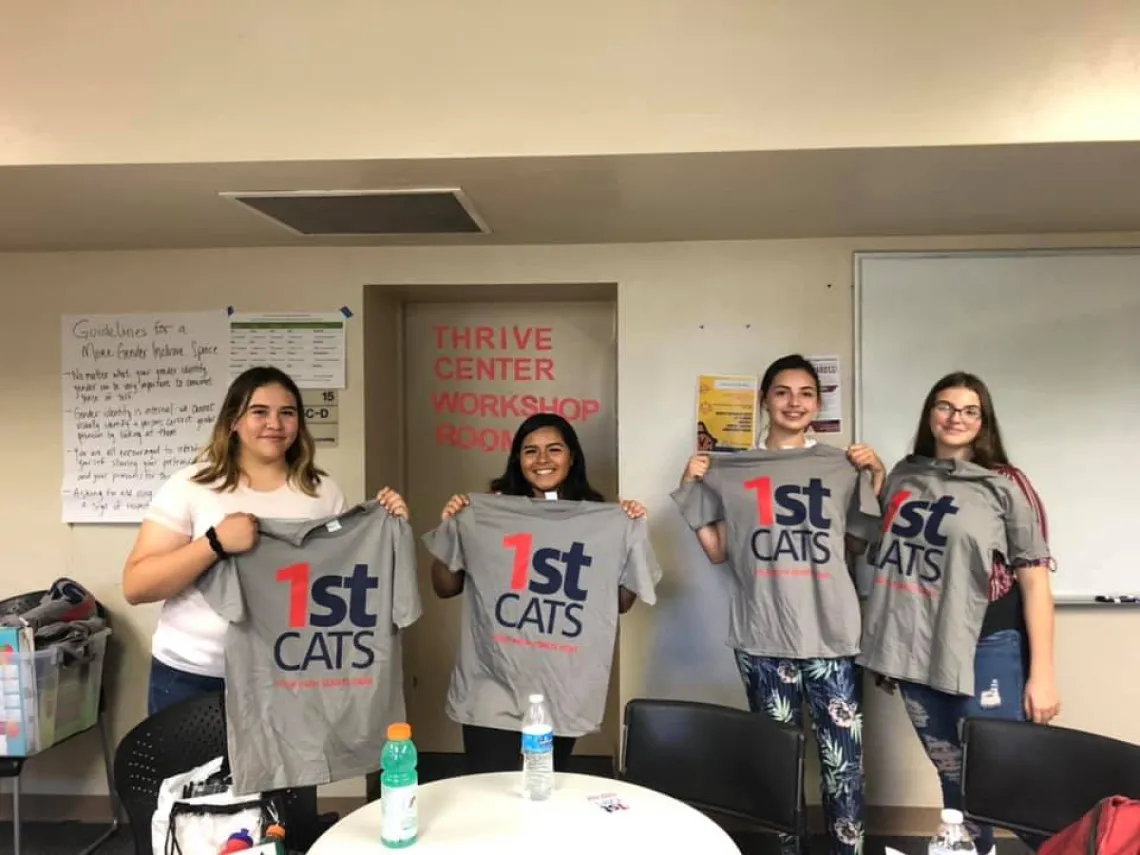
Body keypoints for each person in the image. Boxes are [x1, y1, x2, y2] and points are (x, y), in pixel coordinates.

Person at [673, 354, 885, 855]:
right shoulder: (734, 468)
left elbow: (857, 544)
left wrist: (875, 475)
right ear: (765, 399)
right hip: (762, 636)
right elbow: (719, 551)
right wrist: (690, 485)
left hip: (831, 634)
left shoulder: (839, 465)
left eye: (806, 393)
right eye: (783, 392)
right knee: (777, 764)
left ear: (817, 402)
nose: (795, 402)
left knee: (843, 767)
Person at [123, 365, 409, 716]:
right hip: (196, 676)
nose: (274, 424)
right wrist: (213, 543)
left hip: (288, 674)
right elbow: (137, 586)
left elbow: (344, 580)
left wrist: (385, 526)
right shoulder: (191, 486)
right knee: (195, 775)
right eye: (259, 412)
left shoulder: (321, 493)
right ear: (233, 421)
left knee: (287, 774)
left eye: (287, 413)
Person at [856, 371, 1059, 855]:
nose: (956, 418)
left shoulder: (1006, 484)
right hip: (916, 649)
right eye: (945, 407)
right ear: (930, 414)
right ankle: (973, 849)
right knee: (951, 767)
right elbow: (891, 562)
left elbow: (1034, 578)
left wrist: (1043, 674)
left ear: (983, 421)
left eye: (970, 410)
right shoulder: (906, 474)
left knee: (1001, 773)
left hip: (986, 645)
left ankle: (1071, 847)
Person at [427, 412, 655, 774]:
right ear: (518, 459)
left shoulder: (601, 518)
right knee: (491, 788)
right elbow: (444, 587)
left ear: (572, 456)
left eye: (554, 449)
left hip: (562, 684)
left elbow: (621, 604)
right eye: (530, 451)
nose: (543, 460)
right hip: (493, 679)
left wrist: (628, 535)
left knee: (543, 788)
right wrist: (451, 526)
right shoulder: (489, 511)